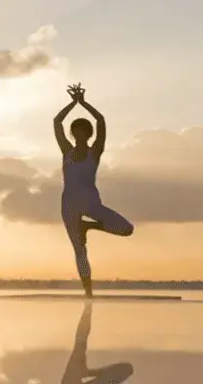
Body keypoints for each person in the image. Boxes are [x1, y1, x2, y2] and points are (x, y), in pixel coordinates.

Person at [53, 83, 134, 298]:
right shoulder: (66, 151)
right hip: (68, 202)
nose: (79, 135)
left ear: (88, 134)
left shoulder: (95, 152)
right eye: (76, 132)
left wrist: (84, 103)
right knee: (79, 250)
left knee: (127, 229)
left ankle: (89, 226)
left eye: (83, 132)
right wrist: (72, 104)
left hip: (90, 201)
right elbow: (57, 122)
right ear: (73, 134)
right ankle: (88, 294)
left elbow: (101, 122)